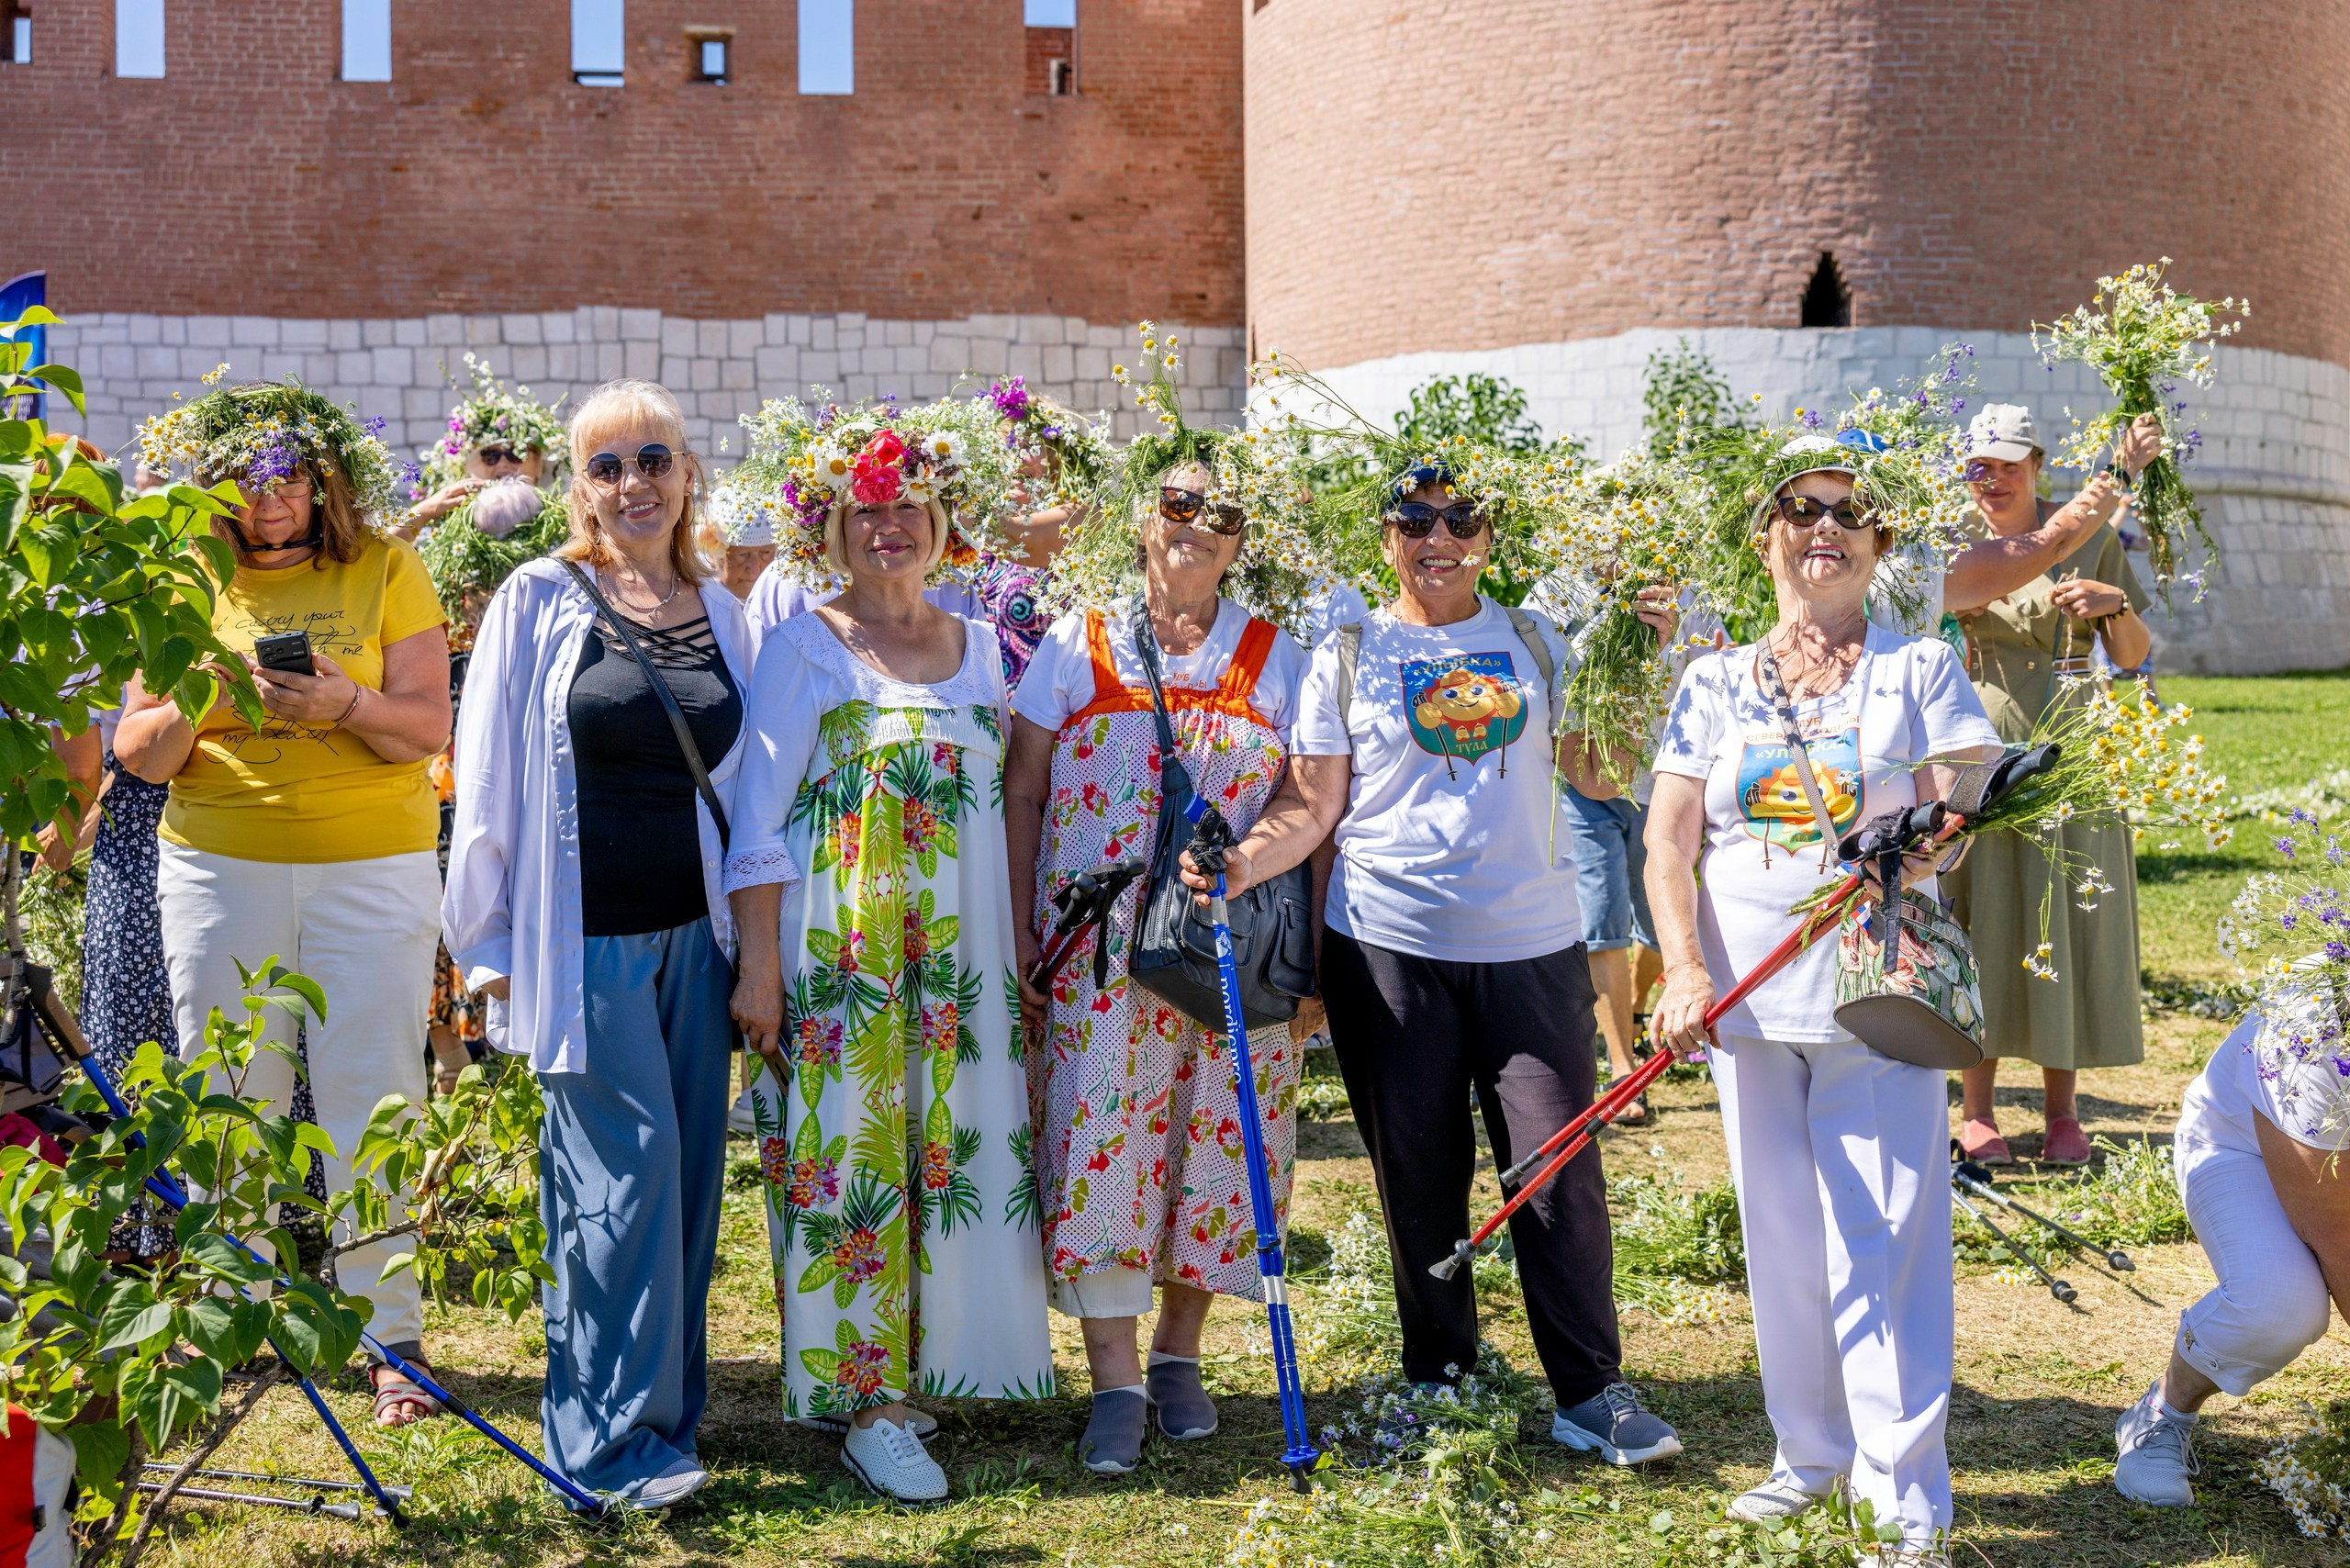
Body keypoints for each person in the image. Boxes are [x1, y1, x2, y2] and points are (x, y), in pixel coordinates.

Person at [1182, 454, 1684, 1468]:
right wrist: (1235, 866)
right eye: (1414, 522)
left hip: (1532, 946)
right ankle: (1439, 1376)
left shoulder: (1536, 640)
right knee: (1418, 1176)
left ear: (1486, 539)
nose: (1437, 539)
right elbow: (1316, 807)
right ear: (1388, 540)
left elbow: (1593, 770)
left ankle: (1591, 1389)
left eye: (1457, 522)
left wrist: (1644, 662)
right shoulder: (1348, 650)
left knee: (1554, 1171)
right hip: (1388, 950)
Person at [1644, 431, 2002, 1554]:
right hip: (1746, 1007)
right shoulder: (1712, 679)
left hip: (1870, 996)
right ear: (1766, 540)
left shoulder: (1916, 666)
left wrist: (1929, 846)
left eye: (1848, 515)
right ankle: (1809, 1452)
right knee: (1781, 1238)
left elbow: (1962, 809)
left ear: (1879, 544)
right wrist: (1686, 968)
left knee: (1885, 1235)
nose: (1823, 531)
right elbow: (1666, 839)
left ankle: (1903, 1493)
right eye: (1800, 511)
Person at [724, 398, 1050, 1506]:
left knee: (947, 1155)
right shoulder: (802, 646)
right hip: (844, 959)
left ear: (944, 518)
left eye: (907, 506)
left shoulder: (977, 649)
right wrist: (759, 966)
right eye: (865, 512)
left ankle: (933, 1370)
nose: (887, 528)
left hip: (960, 964)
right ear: (831, 530)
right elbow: (757, 823)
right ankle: (863, 1398)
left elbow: (1009, 805)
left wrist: (1017, 953)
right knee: (855, 1160)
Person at [117, 379, 453, 1427]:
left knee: (373, 1088)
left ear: (322, 481)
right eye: (246, 480)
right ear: (214, 485)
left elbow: (426, 728)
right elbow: (137, 750)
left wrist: (341, 701)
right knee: (229, 1089)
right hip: (221, 865)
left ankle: (388, 1333)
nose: (267, 502)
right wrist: (207, 700)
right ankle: (233, 1315)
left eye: (287, 479)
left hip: (373, 865)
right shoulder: (183, 573)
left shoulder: (387, 566)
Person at [442, 379, 749, 1509]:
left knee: (688, 1186)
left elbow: (749, 791)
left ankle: (665, 1418)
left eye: (653, 459)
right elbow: (483, 781)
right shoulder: (541, 596)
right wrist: (486, 945)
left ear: (687, 473)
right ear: (580, 486)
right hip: (586, 943)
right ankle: (603, 1444)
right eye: (608, 466)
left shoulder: (725, 609)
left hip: (696, 940)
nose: (634, 484)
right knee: (616, 1186)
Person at [1004, 454, 1311, 1475]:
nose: (1196, 524)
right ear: (1144, 519)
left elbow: (1314, 801)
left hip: (1227, 944)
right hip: (1095, 951)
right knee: (1104, 1141)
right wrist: (1015, 927)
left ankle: (1181, 1354)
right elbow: (1022, 789)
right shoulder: (1073, 641)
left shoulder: (1278, 657)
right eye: (1177, 503)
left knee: (1214, 1136)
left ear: (1240, 540)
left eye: (1219, 512)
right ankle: (1117, 1380)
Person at [1942, 404, 2165, 1166]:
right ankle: (1978, 1112)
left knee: (2061, 917)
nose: (1991, 477)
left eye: (2007, 463)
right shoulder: (1951, 549)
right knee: (1981, 916)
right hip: (1978, 742)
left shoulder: (2091, 539)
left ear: (2038, 465)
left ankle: (2064, 1111)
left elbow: (2133, 657)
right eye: (1979, 463)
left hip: (2070, 743)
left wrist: (2116, 605)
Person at [2112, 977, 2350, 1506]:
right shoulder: (2305, 1029)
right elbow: (2336, 1234)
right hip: (2242, 1153)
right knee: (2280, 1304)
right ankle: (2163, 1413)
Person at [411, 363, 573, 1092]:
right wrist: (427, 522)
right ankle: (446, 1039)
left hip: (530, 719)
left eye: (516, 452)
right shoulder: (438, 540)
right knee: (447, 869)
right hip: (444, 725)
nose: (503, 464)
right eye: (489, 452)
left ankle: (505, 1026)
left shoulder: (561, 532)